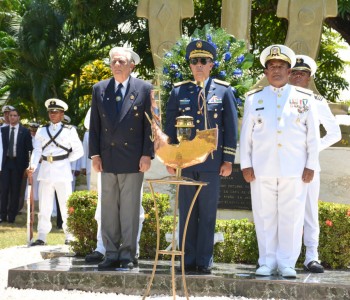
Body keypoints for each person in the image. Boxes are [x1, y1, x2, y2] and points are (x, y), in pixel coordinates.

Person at [240, 44, 320, 278]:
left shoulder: (304, 98)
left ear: (289, 70)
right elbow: (246, 135)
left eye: (281, 66)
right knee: (264, 216)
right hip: (262, 168)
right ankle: (266, 261)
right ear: (265, 72)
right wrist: (246, 163)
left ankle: (287, 262)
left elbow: (313, 136)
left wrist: (311, 165)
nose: (276, 70)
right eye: (272, 66)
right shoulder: (254, 98)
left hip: (295, 169)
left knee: (292, 217)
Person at [164, 40, 238, 274]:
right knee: (187, 211)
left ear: (211, 65)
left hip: (211, 162)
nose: (198, 65)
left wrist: (228, 160)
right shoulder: (179, 91)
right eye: (194, 61)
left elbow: (230, 127)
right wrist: (170, 158)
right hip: (185, 162)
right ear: (190, 65)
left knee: (207, 212)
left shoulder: (223, 91)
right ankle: (187, 259)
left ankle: (204, 260)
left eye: (203, 61)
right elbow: (169, 128)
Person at [89, 46, 153, 270]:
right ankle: (111, 253)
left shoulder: (144, 89)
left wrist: (147, 154)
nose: (117, 65)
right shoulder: (99, 89)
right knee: (108, 208)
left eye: (121, 62)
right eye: (113, 62)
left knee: (129, 209)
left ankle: (127, 254)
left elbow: (149, 126)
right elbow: (95, 126)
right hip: (107, 158)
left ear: (131, 65)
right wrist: (95, 155)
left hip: (133, 158)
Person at [289, 55, 341, 273]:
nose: (298, 76)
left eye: (303, 73)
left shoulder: (317, 102)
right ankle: (285, 258)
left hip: (309, 166)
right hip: (284, 165)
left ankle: (311, 257)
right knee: (284, 212)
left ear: (309, 78)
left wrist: (311, 149)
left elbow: (335, 133)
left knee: (310, 212)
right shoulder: (278, 99)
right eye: (295, 72)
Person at [29, 98, 83, 246]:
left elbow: (79, 151)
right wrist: (33, 165)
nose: (53, 114)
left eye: (56, 112)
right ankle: (42, 236)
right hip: (45, 169)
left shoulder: (70, 130)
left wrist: (65, 160)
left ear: (62, 113)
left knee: (65, 204)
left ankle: (69, 235)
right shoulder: (41, 130)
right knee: (44, 206)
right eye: (51, 112)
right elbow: (37, 150)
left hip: (63, 171)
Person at [0, 108, 33, 223]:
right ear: (8, 117)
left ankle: (11, 216)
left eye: (14, 115)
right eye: (10, 115)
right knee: (3, 189)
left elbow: (29, 150)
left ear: (18, 117)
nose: (12, 117)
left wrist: (27, 166)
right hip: (5, 163)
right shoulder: (2, 131)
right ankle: (2, 215)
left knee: (15, 190)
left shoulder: (24, 131)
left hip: (18, 164)